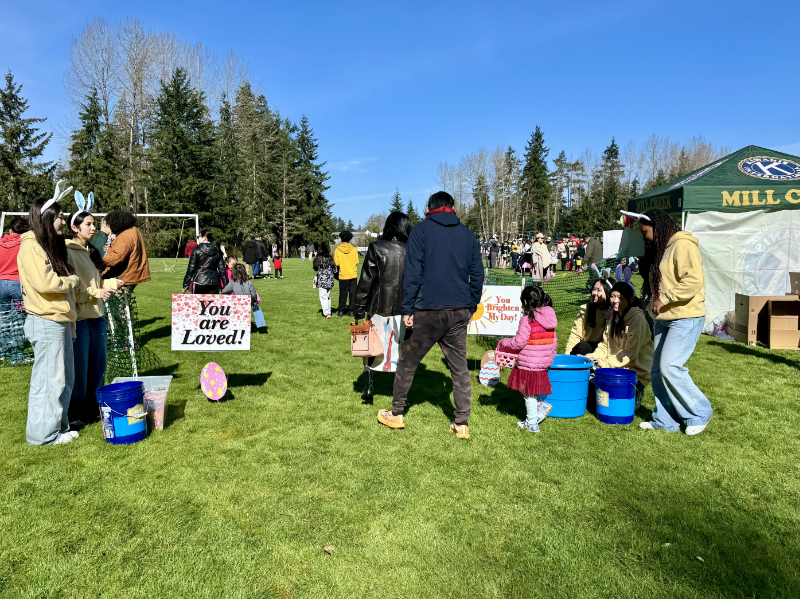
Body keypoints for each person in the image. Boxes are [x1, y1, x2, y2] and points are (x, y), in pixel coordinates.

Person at [378, 191, 482, 439]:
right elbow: (478, 274)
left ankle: (396, 413)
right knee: (459, 368)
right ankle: (462, 423)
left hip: (428, 310)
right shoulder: (468, 235)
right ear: (452, 207)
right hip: (458, 310)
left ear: (430, 208)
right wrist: (471, 305)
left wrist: (408, 308)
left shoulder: (421, 231)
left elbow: (413, 272)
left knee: (407, 363)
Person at [637, 209, 712, 435]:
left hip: (686, 316)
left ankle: (699, 413)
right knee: (657, 371)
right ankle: (665, 420)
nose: (644, 237)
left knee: (670, 367)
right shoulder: (663, 248)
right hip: (664, 318)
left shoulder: (683, 245)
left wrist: (666, 299)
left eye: (645, 232)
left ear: (658, 228)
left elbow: (693, 280)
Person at [18, 197, 82, 445]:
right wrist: (72, 280)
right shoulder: (31, 247)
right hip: (46, 322)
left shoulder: (43, 245)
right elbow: (47, 283)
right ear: (46, 218)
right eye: (60, 217)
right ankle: (43, 436)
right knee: (49, 380)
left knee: (63, 378)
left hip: (57, 320)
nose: (63, 222)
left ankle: (59, 427)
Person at [66, 211, 125, 426]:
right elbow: (71, 288)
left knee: (98, 366)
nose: (93, 228)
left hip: (97, 318)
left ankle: (94, 408)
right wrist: (95, 293)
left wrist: (111, 284)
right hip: (80, 319)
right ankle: (76, 413)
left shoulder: (90, 251)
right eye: (88, 224)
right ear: (75, 228)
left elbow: (94, 283)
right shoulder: (66, 252)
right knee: (80, 368)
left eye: (94, 224)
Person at [354, 212, 410, 400]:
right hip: (403, 307)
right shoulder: (412, 249)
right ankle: (400, 393)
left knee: (370, 345)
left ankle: (369, 385)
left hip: (378, 306)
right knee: (400, 349)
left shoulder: (376, 247)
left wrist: (359, 308)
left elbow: (366, 280)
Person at [497, 286, 557, 432]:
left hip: (529, 363)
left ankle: (532, 424)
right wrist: (549, 359)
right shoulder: (549, 318)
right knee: (532, 391)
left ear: (525, 302)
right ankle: (539, 406)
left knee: (528, 393)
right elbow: (553, 342)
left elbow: (519, 342)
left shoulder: (527, 320)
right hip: (542, 363)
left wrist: (505, 342)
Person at [586, 281, 653, 408]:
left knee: (616, 405)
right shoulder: (614, 318)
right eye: (612, 296)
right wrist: (590, 358)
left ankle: (636, 394)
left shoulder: (637, 319)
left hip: (633, 375)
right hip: (614, 369)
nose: (615, 301)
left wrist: (604, 363)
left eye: (620, 298)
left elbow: (629, 353)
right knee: (588, 391)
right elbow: (605, 345)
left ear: (630, 299)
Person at [101, 210, 151, 288]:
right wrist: (110, 249)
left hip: (123, 278)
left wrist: (98, 262)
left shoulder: (125, 236)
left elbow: (117, 258)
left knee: (114, 296)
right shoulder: (134, 230)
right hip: (131, 275)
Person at [565, 279, 614, 356]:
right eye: (594, 289)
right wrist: (567, 355)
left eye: (599, 290)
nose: (594, 293)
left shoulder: (614, 313)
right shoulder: (586, 309)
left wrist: (609, 319)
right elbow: (576, 334)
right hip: (588, 347)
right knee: (582, 346)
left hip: (605, 349)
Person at [0, 217, 29, 305]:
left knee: (3, 312)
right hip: (19, 283)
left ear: (11, 230)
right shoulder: (26, 244)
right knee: (19, 313)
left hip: (1, 282)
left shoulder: (1, 243)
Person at [334, 231, 359, 317]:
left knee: (343, 293)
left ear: (341, 239)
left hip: (343, 274)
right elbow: (357, 261)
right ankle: (351, 310)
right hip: (352, 274)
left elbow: (336, 263)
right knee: (353, 293)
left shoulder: (337, 250)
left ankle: (341, 310)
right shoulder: (354, 249)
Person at [313, 243, 335, 318]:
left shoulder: (318, 258)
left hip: (322, 281)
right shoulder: (330, 258)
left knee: (323, 297)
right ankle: (328, 310)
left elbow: (315, 268)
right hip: (330, 281)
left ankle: (327, 312)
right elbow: (335, 269)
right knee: (327, 296)